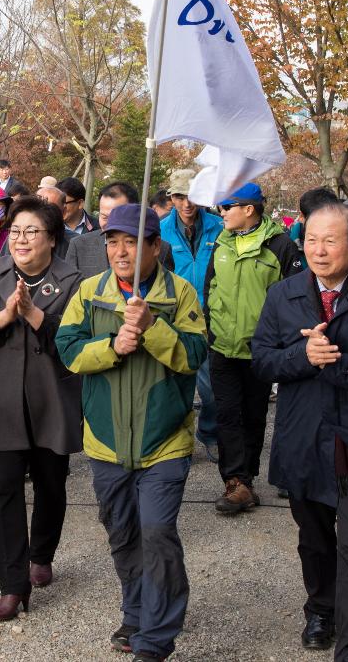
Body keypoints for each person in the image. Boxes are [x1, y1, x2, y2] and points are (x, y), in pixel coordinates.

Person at [252, 202, 348, 660]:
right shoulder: (283, 295)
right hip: (303, 435)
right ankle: (321, 607)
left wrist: (337, 362)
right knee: (314, 536)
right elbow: (261, 360)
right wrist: (302, 358)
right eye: (311, 240)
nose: (319, 251)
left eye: (331, 241)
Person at [56, 204, 207, 661]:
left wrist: (152, 327)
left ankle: (156, 638)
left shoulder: (179, 294)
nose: (121, 251)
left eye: (132, 241)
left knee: (158, 531)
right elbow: (68, 349)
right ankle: (136, 610)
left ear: (154, 246)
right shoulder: (89, 292)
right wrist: (111, 347)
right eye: (113, 241)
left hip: (164, 442)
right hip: (105, 441)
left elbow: (194, 355)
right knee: (121, 531)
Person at [0, 197, 83, 621]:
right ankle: (12, 586)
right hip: (1, 402)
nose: (21, 239)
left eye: (31, 231)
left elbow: (74, 342)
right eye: (14, 231)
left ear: (52, 239)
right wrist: (4, 315)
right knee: (6, 489)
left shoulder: (73, 280)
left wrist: (33, 315)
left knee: (52, 484)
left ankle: (42, 553)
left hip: (52, 400)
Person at [204, 182, 301, 513]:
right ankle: (235, 482)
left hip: (260, 349)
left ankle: (247, 477)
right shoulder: (221, 242)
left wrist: (277, 342)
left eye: (227, 207)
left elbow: (291, 299)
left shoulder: (281, 246)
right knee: (226, 413)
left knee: (253, 415)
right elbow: (209, 287)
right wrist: (210, 329)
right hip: (221, 346)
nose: (222, 213)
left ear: (249, 209)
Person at [159, 168, 226, 465]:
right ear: (171, 198)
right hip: (173, 316)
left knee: (211, 385)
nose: (187, 203)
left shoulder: (219, 227)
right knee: (174, 382)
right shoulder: (159, 230)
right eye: (179, 196)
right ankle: (175, 439)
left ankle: (209, 433)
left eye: (193, 196)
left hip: (211, 315)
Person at [67, 182, 174, 278]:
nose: (110, 224)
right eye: (104, 217)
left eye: (117, 217)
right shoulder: (79, 245)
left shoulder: (159, 248)